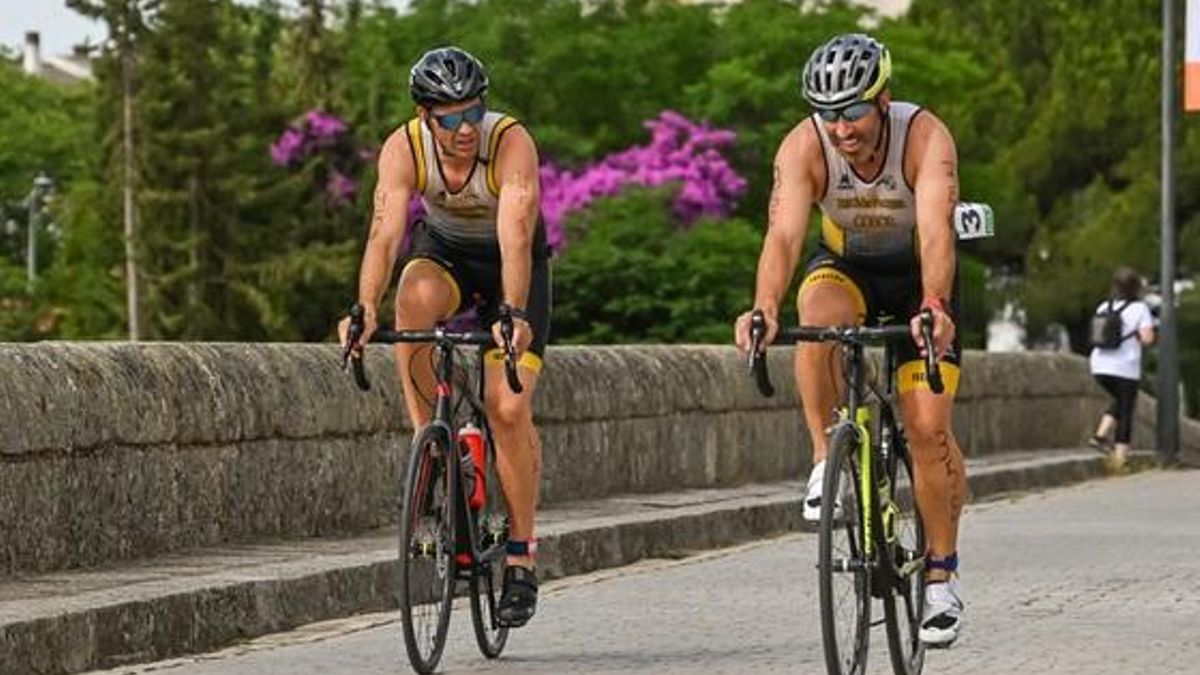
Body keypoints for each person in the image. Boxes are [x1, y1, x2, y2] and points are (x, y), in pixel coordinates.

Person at [733, 33, 967, 647]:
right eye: (828, 114)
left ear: (883, 99)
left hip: (920, 274)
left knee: (927, 431)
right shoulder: (802, 145)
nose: (840, 129)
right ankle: (822, 461)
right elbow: (783, 236)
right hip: (848, 267)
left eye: (853, 111)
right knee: (818, 315)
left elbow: (939, 231)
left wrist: (935, 305)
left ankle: (940, 579)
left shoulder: (924, 137)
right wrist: (762, 307)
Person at [339, 46, 550, 628]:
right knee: (411, 302)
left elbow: (514, 233)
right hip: (447, 255)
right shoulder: (402, 147)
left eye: (472, 113)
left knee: (508, 408)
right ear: (425, 116)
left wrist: (511, 311)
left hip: (514, 265)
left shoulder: (510, 142)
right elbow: (384, 234)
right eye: (449, 118)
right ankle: (433, 442)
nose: (463, 129)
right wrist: (363, 307)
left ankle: (521, 560)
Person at [1087, 267, 1156, 468]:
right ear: (1136, 288)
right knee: (1126, 408)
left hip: (1099, 365)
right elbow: (1147, 339)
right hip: (1125, 366)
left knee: (1120, 400)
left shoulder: (1103, 307)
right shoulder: (1140, 309)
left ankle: (1100, 436)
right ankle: (1119, 458)